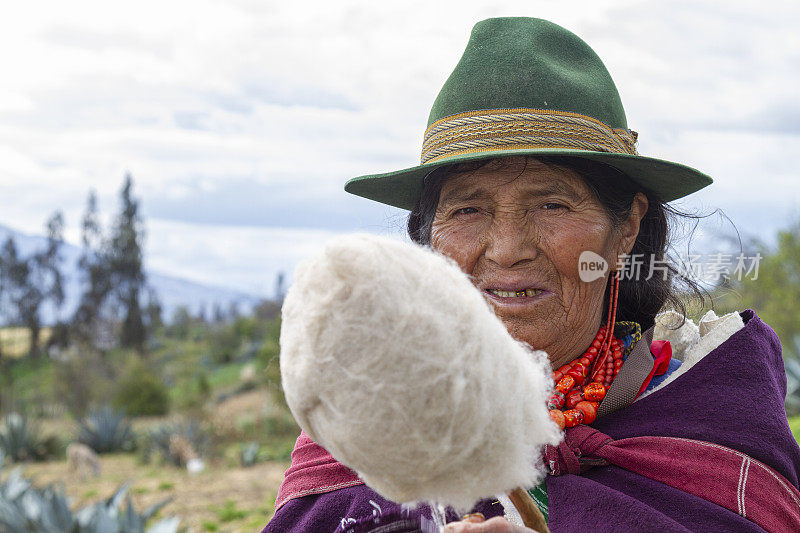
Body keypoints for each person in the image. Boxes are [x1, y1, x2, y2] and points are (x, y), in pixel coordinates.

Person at [263, 17, 800, 532]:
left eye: (551, 205)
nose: (508, 249)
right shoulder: (367, 416)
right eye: (468, 210)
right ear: (430, 238)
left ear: (627, 228)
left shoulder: (713, 416)